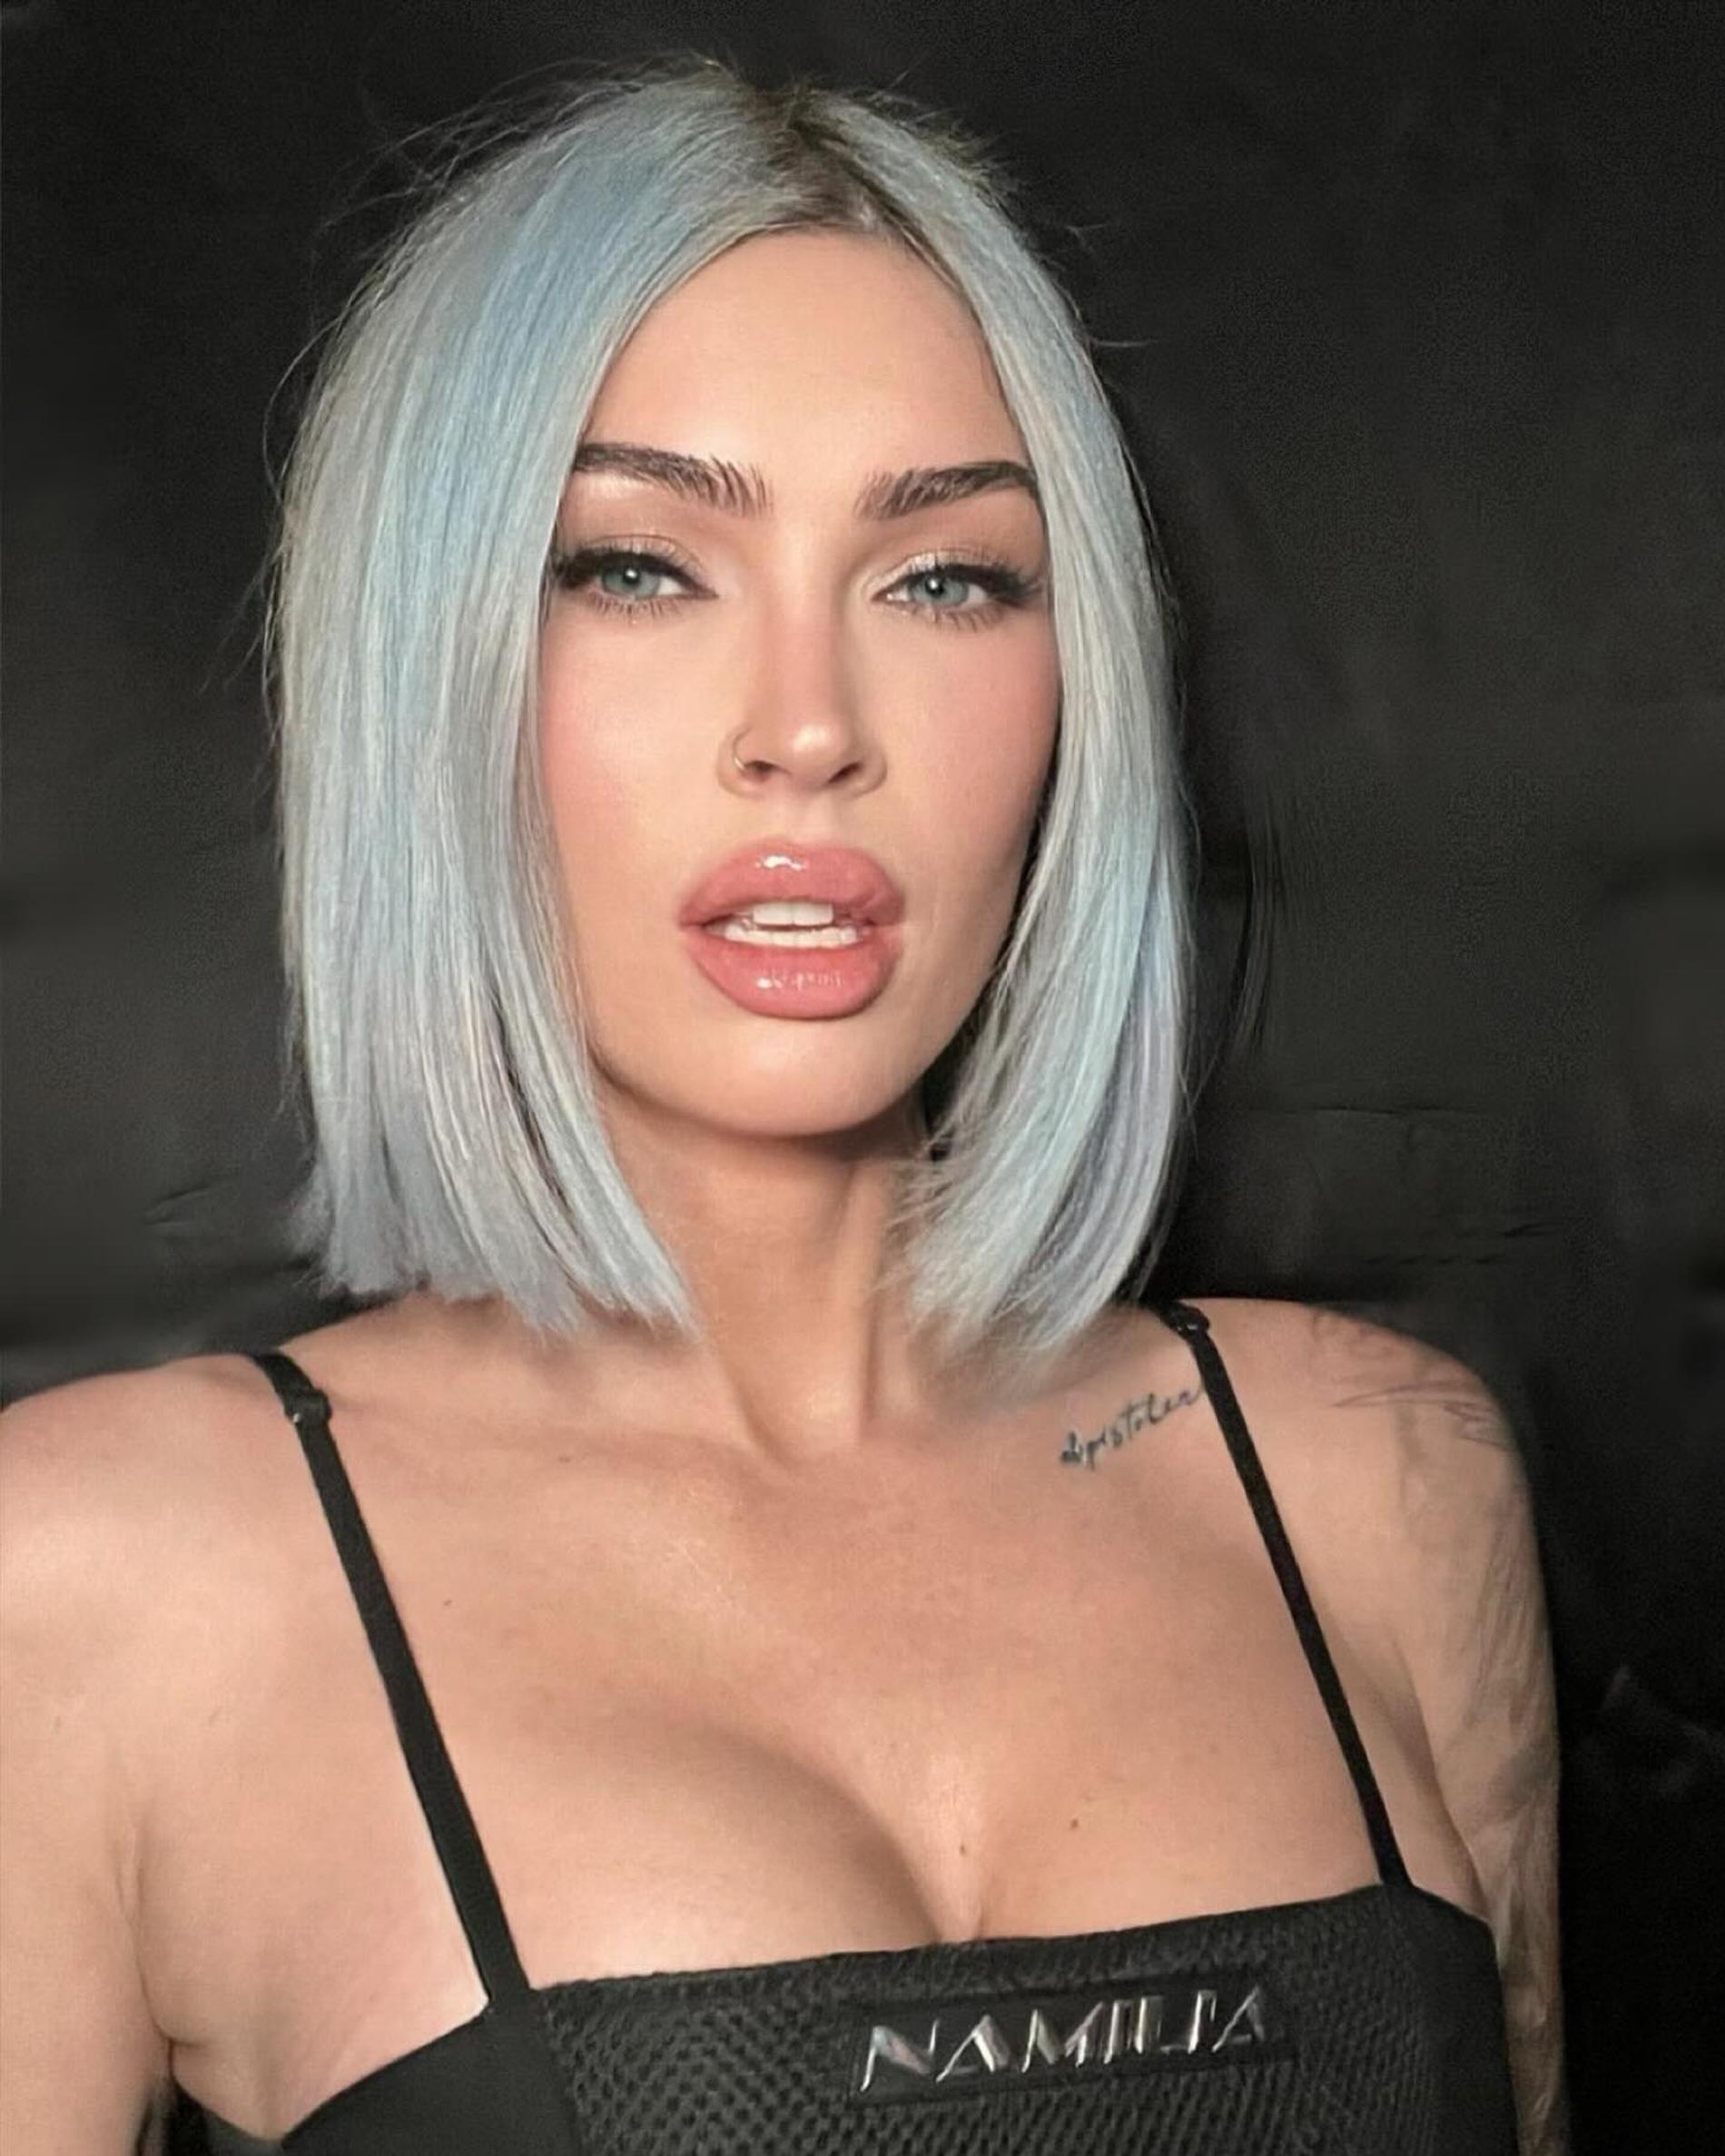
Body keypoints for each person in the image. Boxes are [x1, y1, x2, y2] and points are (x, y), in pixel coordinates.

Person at [0, 53, 1564, 2155]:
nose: (808, 728)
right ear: (426, 659)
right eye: (637, 567)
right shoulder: (96, 1582)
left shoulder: (1372, 1483)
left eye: (944, 578)